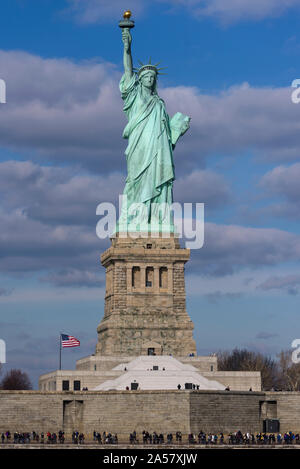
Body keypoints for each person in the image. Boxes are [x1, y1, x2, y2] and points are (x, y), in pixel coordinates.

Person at [118, 27, 190, 231]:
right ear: (139, 80)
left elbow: (167, 134)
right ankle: (135, 220)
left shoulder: (160, 103)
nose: (149, 79)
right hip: (139, 147)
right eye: (146, 77)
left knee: (158, 181)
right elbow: (127, 70)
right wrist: (127, 48)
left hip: (158, 149)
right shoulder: (134, 97)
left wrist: (178, 130)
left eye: (152, 77)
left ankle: (158, 220)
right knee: (135, 181)